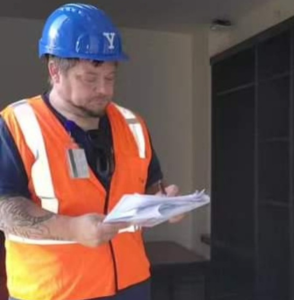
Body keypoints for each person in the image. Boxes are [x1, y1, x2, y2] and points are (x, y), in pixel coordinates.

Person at [0, 3, 184, 300]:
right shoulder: (16, 123)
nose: (104, 90)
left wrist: (164, 203)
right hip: (53, 292)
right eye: (90, 78)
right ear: (55, 71)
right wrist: (72, 229)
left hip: (132, 286)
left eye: (110, 78)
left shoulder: (133, 124)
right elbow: (4, 209)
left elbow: (150, 185)